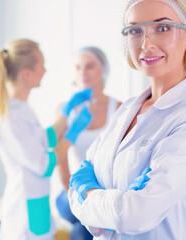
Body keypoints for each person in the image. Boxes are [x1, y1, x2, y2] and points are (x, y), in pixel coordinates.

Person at [68, 0, 186, 239]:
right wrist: (114, 206)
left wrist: (86, 195)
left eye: (162, 28)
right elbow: (75, 183)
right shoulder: (126, 110)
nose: (146, 44)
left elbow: (136, 214)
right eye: (135, 31)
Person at [0, 39, 94, 240]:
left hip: (36, 202)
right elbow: (44, 165)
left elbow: (43, 139)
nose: (45, 71)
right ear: (26, 74)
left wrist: (65, 113)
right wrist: (72, 134)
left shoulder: (20, 107)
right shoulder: (10, 117)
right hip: (24, 213)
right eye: (42, 65)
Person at [55, 47, 122, 240]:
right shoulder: (65, 110)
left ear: (103, 70)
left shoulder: (119, 109)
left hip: (104, 191)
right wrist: (73, 191)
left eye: (89, 67)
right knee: (88, 219)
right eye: (78, 67)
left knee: (82, 229)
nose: (83, 73)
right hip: (70, 191)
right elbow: (58, 159)